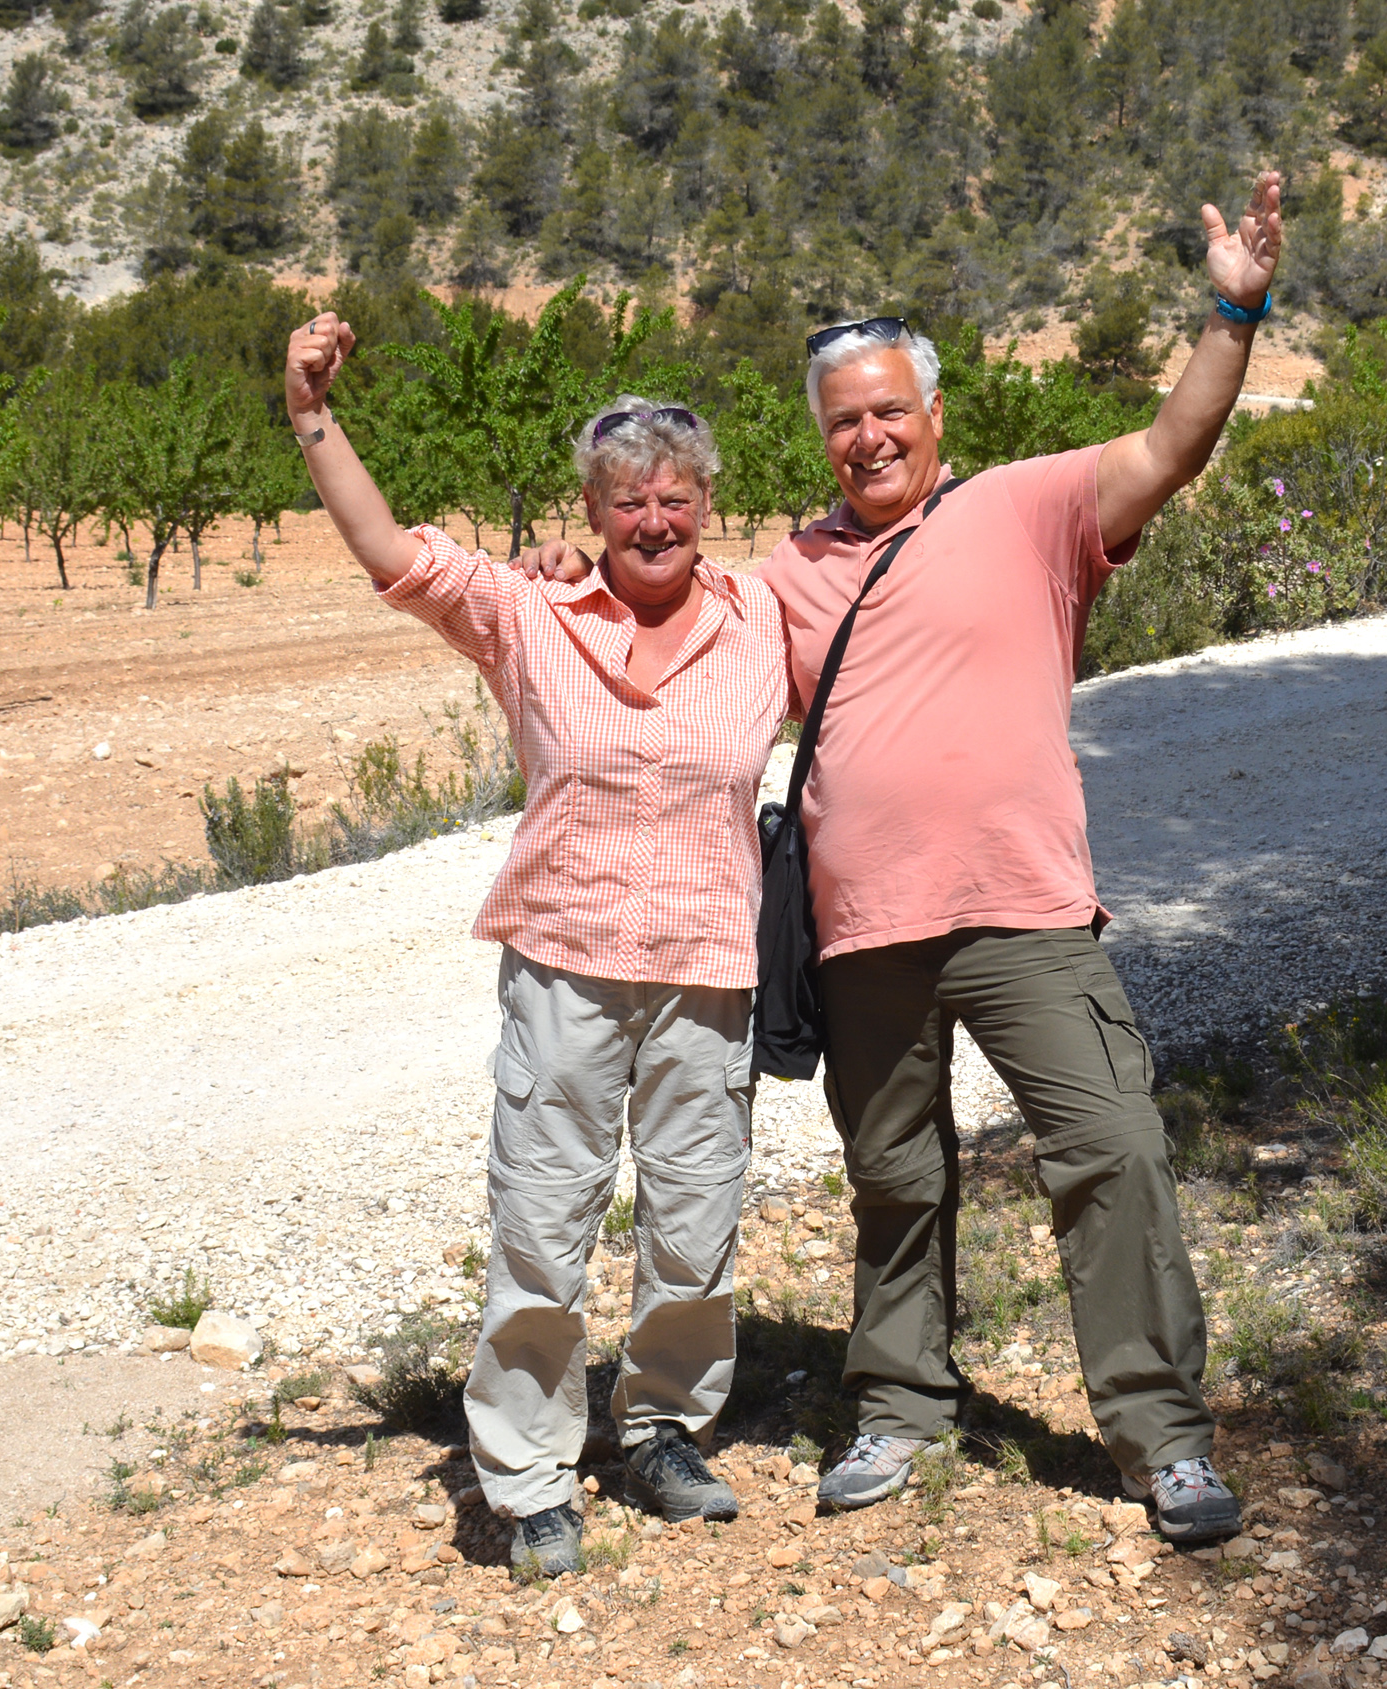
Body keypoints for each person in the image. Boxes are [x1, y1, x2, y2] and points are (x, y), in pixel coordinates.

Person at [533, 173, 1284, 1543]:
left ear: (937, 415)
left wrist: (1234, 312)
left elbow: (1175, 441)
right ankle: (898, 1406)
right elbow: (665, 601)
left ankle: (1163, 1438)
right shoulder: (786, 573)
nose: (868, 437)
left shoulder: (1031, 507)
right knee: (893, 1177)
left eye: (888, 411)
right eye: (843, 421)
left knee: (1110, 1147)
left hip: (1024, 910)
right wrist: (571, 574)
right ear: (822, 438)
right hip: (863, 928)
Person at [282, 312, 793, 1579]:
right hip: (565, 964)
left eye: (674, 498)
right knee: (542, 1223)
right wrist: (312, 417)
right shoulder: (528, 612)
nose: (653, 521)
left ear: (708, 502)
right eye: (628, 501)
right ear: (594, 509)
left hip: (708, 972)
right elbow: (390, 552)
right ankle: (529, 1476)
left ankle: (663, 1431)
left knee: (695, 1221)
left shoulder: (763, 618)